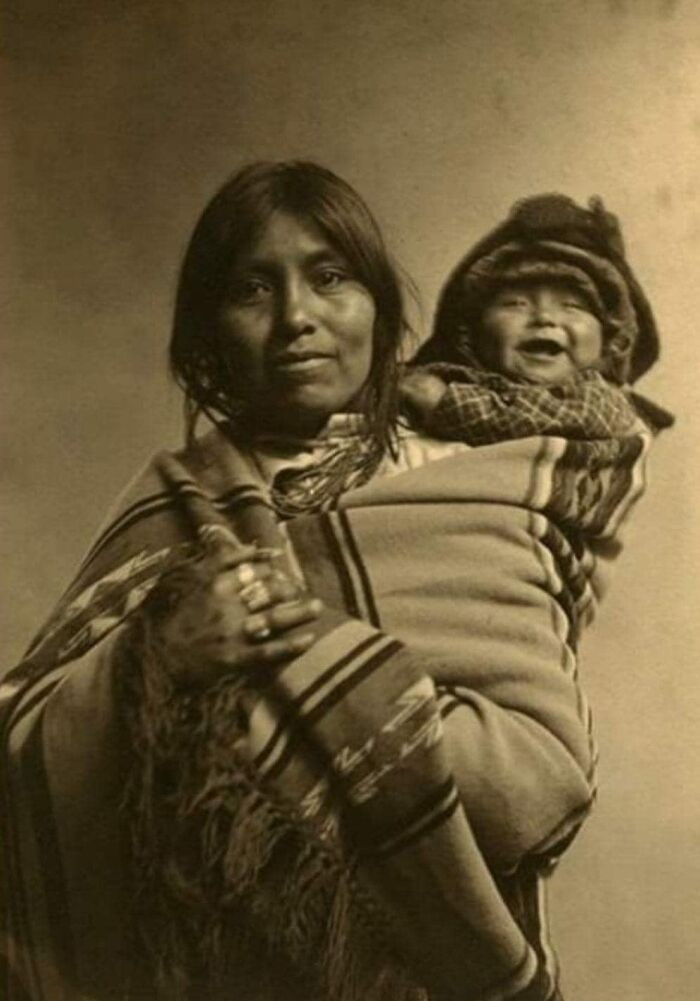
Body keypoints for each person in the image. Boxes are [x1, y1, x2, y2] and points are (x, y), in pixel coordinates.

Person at [0, 164, 652, 1001]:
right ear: (209, 334)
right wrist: (153, 655)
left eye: (331, 277)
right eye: (251, 288)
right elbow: (21, 752)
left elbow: (539, 777)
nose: (296, 317)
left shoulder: (474, 483)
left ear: (381, 311)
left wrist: (333, 686)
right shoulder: (175, 502)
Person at [401, 192, 673, 445]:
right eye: (515, 304)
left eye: (571, 306)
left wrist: (444, 403)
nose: (544, 318)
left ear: (611, 340)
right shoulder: (446, 376)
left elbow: (549, 422)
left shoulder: (602, 401)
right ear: (470, 333)